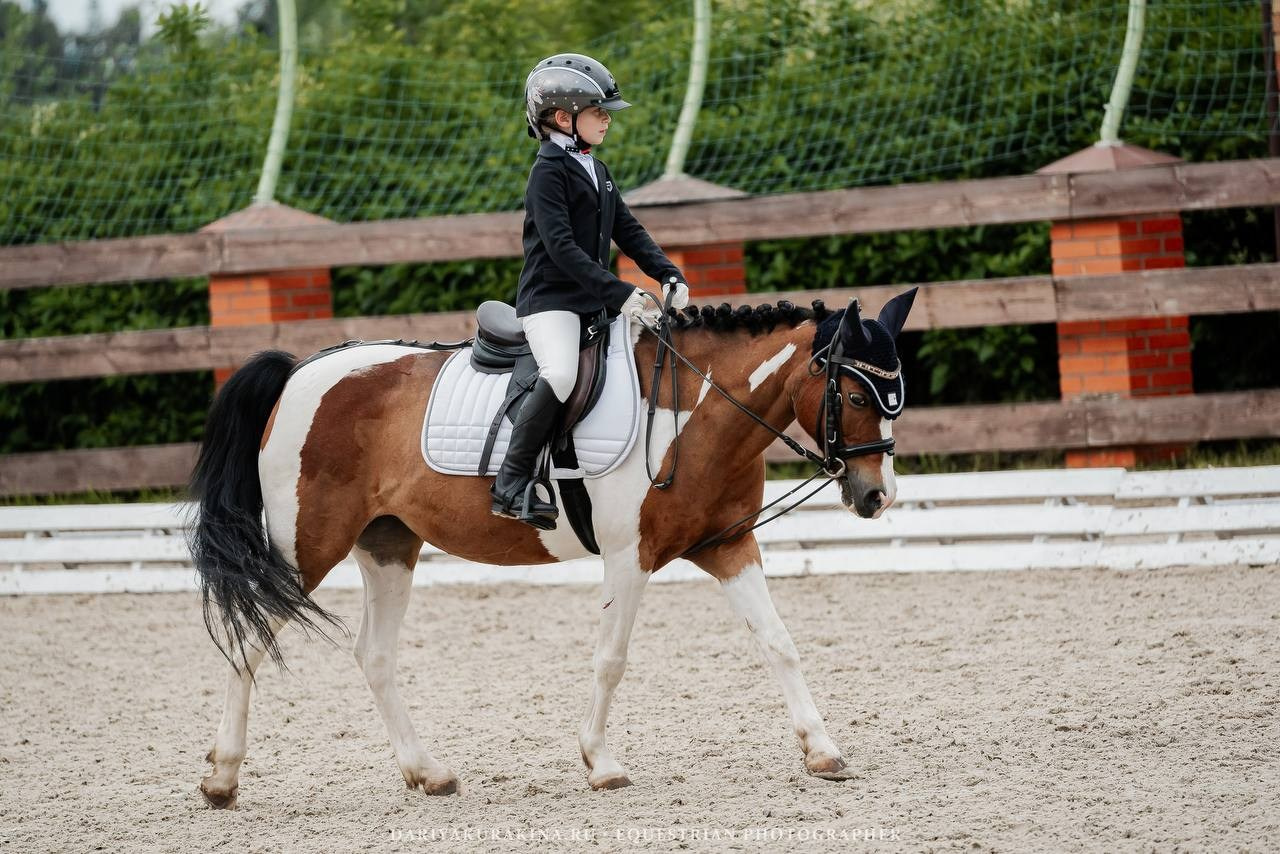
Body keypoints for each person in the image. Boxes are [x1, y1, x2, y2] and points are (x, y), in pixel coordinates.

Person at [491, 52, 690, 529]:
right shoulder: (547, 172)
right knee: (560, 374)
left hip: (593, 303)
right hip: (551, 303)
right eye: (599, 112)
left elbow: (629, 230)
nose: (607, 120)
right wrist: (620, 292)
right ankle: (511, 480)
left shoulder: (595, 170)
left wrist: (668, 274)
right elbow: (560, 248)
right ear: (563, 118)